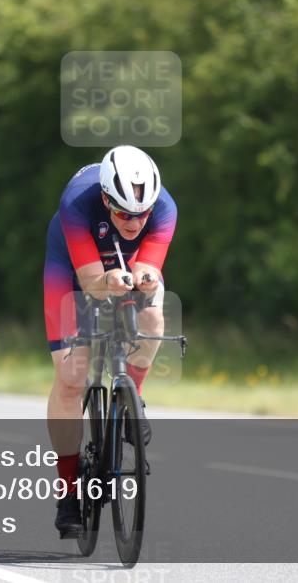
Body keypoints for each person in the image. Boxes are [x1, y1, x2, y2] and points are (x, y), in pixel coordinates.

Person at [44, 145, 177, 538]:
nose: (134, 222)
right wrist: (106, 281)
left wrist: (146, 279)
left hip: (125, 264)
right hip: (72, 269)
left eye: (142, 215)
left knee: (152, 317)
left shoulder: (164, 207)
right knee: (71, 375)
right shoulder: (76, 204)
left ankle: (130, 399)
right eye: (123, 213)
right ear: (105, 199)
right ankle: (68, 490)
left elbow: (149, 267)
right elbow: (89, 281)